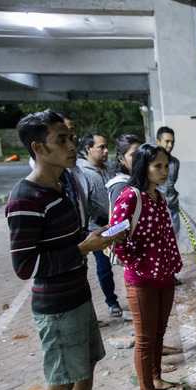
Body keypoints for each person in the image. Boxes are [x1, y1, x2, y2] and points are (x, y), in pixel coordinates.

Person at [6, 109, 128, 390]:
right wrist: (83, 249)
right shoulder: (24, 198)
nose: (72, 144)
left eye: (71, 137)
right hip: (55, 307)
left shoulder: (66, 184)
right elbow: (25, 266)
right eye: (62, 140)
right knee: (61, 379)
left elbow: (73, 239)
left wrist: (100, 234)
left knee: (86, 364)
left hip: (78, 294)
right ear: (39, 147)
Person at [109, 143, 186, 390]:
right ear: (144, 167)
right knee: (144, 340)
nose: (164, 171)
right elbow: (115, 237)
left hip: (165, 276)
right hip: (141, 281)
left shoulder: (158, 197)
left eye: (166, 166)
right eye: (158, 166)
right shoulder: (130, 197)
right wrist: (136, 262)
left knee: (158, 334)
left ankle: (156, 379)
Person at [75, 132, 124, 317]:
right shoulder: (84, 174)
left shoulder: (108, 169)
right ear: (88, 149)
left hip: (115, 226)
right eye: (101, 147)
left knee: (121, 261)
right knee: (104, 268)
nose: (105, 151)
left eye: (106, 147)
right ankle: (111, 302)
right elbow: (86, 204)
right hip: (98, 230)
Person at [154, 127, 181, 240]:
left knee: (173, 238)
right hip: (156, 207)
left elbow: (173, 182)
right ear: (158, 142)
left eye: (172, 142)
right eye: (167, 142)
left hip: (172, 204)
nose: (170, 145)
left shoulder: (175, 162)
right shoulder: (151, 162)